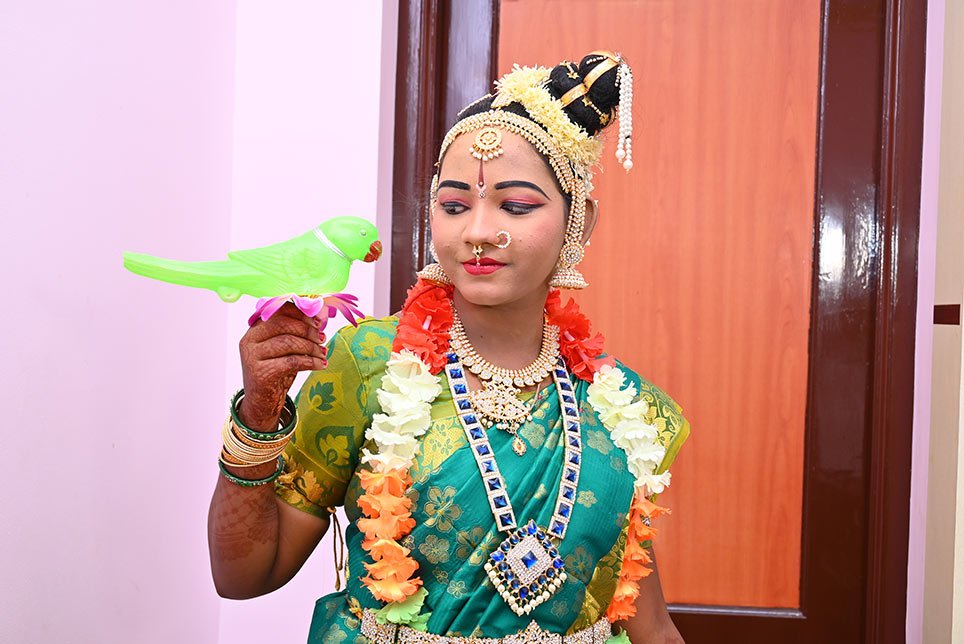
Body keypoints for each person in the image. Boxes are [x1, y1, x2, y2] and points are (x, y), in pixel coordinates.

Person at [208, 50, 689, 644]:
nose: (479, 231)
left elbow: (651, 625)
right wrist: (258, 416)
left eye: (515, 205)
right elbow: (243, 576)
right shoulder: (370, 367)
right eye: (455, 205)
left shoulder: (626, 411)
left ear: (579, 222)